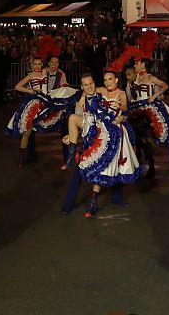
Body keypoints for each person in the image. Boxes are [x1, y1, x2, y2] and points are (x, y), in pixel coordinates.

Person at [61, 68, 143, 217]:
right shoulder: (96, 92)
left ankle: (107, 199)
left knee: (116, 165)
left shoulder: (111, 93)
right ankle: (68, 204)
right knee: (81, 170)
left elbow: (124, 108)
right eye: (105, 80)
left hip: (111, 132)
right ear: (82, 87)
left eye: (110, 79)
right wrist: (72, 134)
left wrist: (121, 115)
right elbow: (80, 117)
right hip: (92, 136)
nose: (89, 87)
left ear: (116, 80)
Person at [126, 41, 169, 179]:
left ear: (143, 64)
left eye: (137, 63)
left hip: (152, 109)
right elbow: (132, 97)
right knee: (140, 139)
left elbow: (165, 86)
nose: (135, 65)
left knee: (167, 137)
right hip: (140, 110)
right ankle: (144, 167)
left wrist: (154, 96)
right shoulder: (134, 79)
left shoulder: (150, 77)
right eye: (134, 63)